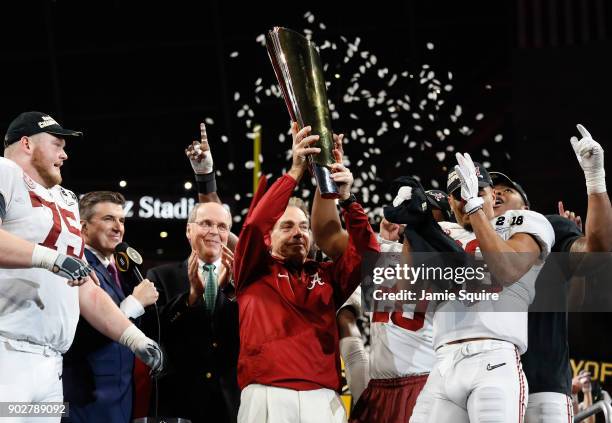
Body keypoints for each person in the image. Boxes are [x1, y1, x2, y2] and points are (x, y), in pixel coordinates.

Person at [0, 111, 163, 422]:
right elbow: (60, 263)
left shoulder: (66, 199)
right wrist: (51, 258)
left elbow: (84, 286)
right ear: (26, 143)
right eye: (57, 145)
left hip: (51, 366)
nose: (65, 154)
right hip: (8, 353)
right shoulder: (4, 172)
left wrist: (133, 337)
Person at [234, 123, 379, 423]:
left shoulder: (328, 275)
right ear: (269, 238)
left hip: (323, 398)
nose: (298, 233)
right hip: (266, 393)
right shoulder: (253, 269)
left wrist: (348, 199)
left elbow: (370, 256)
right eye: (286, 227)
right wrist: (295, 171)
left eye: (303, 227)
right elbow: (255, 225)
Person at [408, 154, 555, 423]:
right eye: (459, 195)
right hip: (442, 361)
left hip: (494, 358)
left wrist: (475, 209)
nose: (466, 197)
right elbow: (410, 289)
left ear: (492, 196)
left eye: (476, 190)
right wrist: (413, 231)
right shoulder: (442, 232)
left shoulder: (521, 223)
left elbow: (507, 270)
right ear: (450, 202)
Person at [491, 124, 611, 423]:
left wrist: (595, 179)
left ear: (527, 207)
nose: (495, 195)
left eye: (506, 191)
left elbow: (598, 251)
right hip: (481, 382)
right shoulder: (463, 238)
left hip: (541, 384)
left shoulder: (549, 227)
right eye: (488, 191)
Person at [145, 125, 239, 423]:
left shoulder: (243, 279)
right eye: (206, 224)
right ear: (189, 230)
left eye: (222, 226)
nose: (214, 231)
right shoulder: (160, 276)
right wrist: (191, 298)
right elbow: (153, 333)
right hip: (178, 403)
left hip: (231, 403)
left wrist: (234, 293)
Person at [62, 191, 160, 423]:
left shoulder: (124, 273)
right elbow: (77, 335)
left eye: (122, 220)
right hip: (84, 400)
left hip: (121, 400)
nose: (118, 227)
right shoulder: (74, 268)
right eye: (108, 219)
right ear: (83, 227)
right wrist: (133, 304)